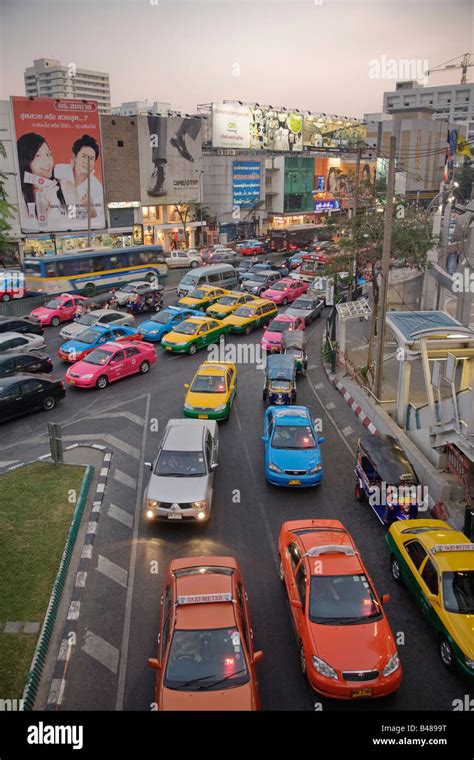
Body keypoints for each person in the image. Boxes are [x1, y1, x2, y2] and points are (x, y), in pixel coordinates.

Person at [17, 133, 68, 230]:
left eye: (48, 154)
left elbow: (75, 219)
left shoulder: (65, 185)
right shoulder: (20, 195)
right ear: (25, 161)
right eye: (38, 155)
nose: (47, 161)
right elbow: (32, 230)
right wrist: (50, 206)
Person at [55, 135, 105, 228]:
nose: (87, 162)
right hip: (53, 226)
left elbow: (98, 219)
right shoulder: (60, 170)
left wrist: (90, 207)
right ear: (74, 157)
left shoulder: (96, 187)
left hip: (81, 229)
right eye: (83, 157)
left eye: (91, 159)